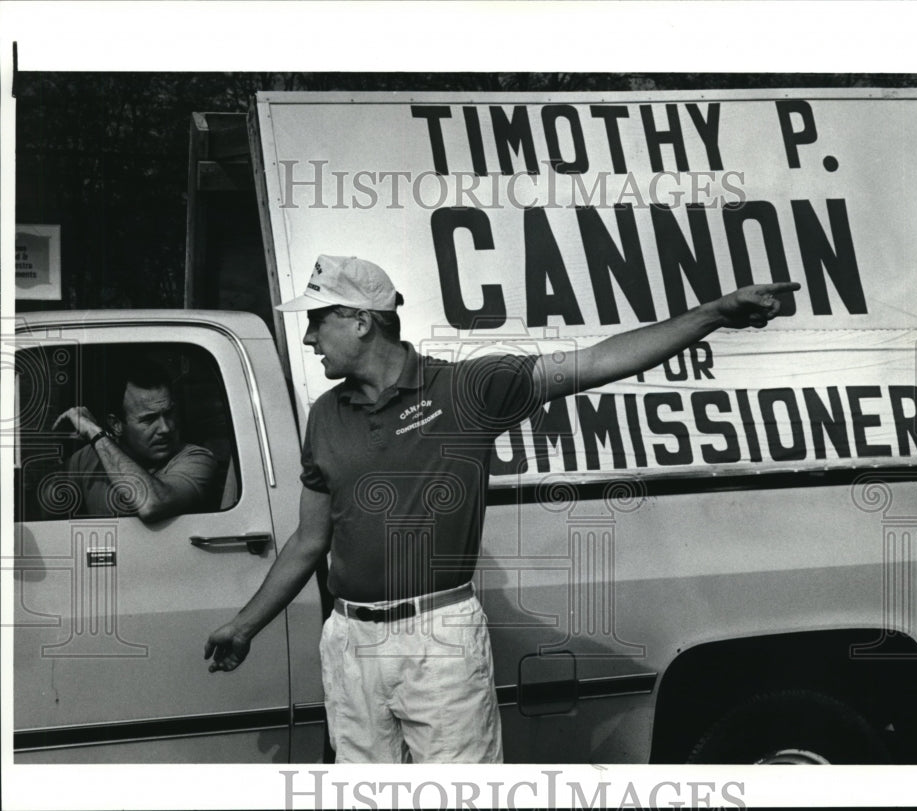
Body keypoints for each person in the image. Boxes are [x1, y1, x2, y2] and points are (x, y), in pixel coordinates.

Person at [204, 254, 800, 763]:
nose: (308, 339)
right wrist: (244, 625)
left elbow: (595, 362)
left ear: (360, 321)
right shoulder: (326, 415)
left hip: (437, 638)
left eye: (316, 321)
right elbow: (310, 540)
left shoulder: (465, 389)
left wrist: (713, 315)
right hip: (349, 642)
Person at [53, 359, 218, 522]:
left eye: (168, 413)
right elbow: (47, 512)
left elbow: (151, 505)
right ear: (116, 425)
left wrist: (94, 432)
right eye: (149, 419)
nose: (166, 428)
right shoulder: (86, 458)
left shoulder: (196, 459)